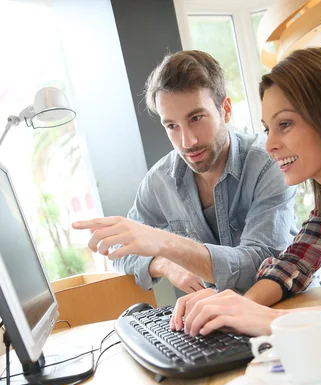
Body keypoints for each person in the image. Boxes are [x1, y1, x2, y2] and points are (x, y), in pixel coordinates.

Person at [170, 47, 321, 339]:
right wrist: (238, 307)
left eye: (285, 124)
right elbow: (293, 264)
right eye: (268, 129)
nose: (270, 145)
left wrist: (276, 320)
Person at [72, 50, 296, 294]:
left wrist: (166, 244)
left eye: (197, 118)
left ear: (226, 109)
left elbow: (261, 263)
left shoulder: (268, 163)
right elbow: (121, 252)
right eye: (172, 126)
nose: (187, 141)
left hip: (287, 312)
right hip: (217, 318)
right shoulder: (159, 182)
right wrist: (163, 262)